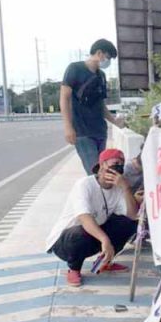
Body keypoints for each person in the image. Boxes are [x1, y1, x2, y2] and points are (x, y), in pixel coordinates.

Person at [46, 149, 138, 287]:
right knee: (80, 232)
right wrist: (105, 240)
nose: (119, 167)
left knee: (128, 223)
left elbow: (133, 215)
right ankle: (74, 269)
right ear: (102, 165)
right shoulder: (84, 184)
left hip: (93, 236)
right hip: (65, 242)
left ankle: (105, 262)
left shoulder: (118, 189)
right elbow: (84, 218)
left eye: (121, 164)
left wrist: (126, 188)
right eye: (115, 163)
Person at [60, 39, 125, 174]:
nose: (108, 62)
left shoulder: (101, 76)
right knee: (95, 173)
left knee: (104, 171)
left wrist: (114, 121)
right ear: (99, 53)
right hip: (82, 131)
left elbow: (101, 105)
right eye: (108, 57)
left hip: (100, 131)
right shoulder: (75, 69)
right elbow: (64, 98)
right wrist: (68, 126)